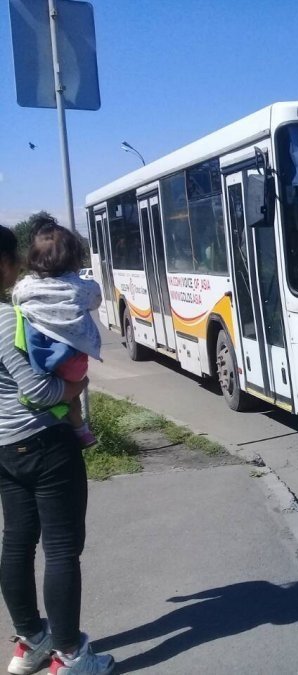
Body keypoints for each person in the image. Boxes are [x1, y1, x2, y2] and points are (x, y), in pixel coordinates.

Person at [0, 225, 115, 675]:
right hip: (44, 444)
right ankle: (69, 655)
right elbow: (41, 392)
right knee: (62, 549)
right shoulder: (7, 319)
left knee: (17, 542)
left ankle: (31, 642)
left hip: (5, 448)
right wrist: (76, 387)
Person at [12, 221, 102, 448]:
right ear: (74, 259)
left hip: (41, 356)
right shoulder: (80, 287)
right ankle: (81, 430)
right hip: (74, 362)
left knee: (49, 392)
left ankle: (61, 416)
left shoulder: (25, 287)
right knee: (73, 393)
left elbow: (16, 301)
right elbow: (96, 299)